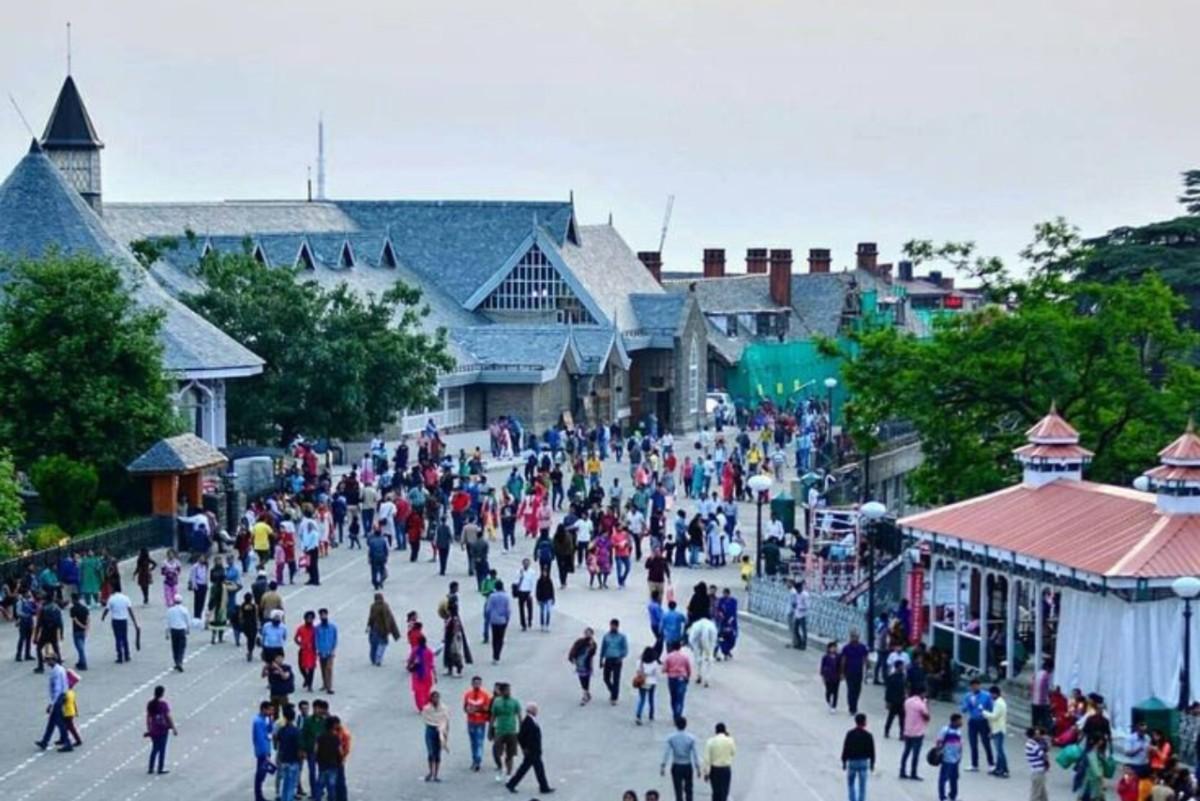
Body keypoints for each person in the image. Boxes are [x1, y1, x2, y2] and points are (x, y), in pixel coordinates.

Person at [505, 702, 555, 794]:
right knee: (532, 769)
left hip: (533, 750)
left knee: (533, 768)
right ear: (532, 710)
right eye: (535, 709)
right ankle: (543, 787)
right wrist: (524, 748)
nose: (537, 711)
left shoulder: (530, 720)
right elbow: (520, 736)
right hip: (532, 751)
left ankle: (543, 786)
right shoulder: (528, 721)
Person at [34, 649, 72, 751]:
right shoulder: (60, 669)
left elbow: (57, 689)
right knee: (51, 722)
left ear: (52, 660)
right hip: (61, 696)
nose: (46, 662)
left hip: (58, 698)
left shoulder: (56, 672)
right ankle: (45, 741)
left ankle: (67, 743)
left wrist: (52, 704)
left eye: (47, 660)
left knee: (59, 722)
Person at [661, 716, 701, 801]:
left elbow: (666, 753)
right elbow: (695, 754)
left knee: (678, 790)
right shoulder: (691, 738)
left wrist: (663, 766)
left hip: (676, 765)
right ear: (686, 725)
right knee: (689, 789)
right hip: (687, 765)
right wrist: (698, 767)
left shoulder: (671, 737)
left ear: (676, 725)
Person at [960, 677, 995, 772]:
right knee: (973, 743)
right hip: (972, 721)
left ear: (979, 686)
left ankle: (991, 763)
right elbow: (963, 709)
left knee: (986, 743)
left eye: (976, 685)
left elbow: (991, 709)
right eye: (972, 686)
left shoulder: (986, 696)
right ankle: (974, 764)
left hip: (983, 721)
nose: (974, 688)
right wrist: (968, 704)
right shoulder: (968, 696)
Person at [490, 683, 522, 783]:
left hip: (511, 731)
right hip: (499, 730)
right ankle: (500, 767)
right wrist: (490, 729)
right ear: (502, 691)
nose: (509, 692)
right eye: (507, 690)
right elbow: (493, 716)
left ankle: (508, 773)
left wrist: (521, 730)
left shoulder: (515, 702)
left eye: (509, 690)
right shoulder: (497, 702)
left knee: (510, 754)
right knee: (496, 752)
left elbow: (519, 716)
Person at [841, 713, 875, 801]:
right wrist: (872, 763)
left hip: (852, 761)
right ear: (864, 722)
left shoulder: (850, 734)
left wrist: (844, 761)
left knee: (851, 784)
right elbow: (872, 750)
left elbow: (846, 747)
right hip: (863, 761)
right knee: (862, 786)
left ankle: (852, 799)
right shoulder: (868, 735)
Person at [144, 685, 177, 774]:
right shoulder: (163, 705)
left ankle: (151, 768)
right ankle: (160, 768)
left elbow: (148, 717)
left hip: (154, 729)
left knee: (154, 748)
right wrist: (173, 727)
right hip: (163, 728)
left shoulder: (150, 704)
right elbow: (168, 716)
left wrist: (149, 728)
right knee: (162, 749)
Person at [462, 676, 492, 772]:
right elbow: (465, 707)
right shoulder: (468, 694)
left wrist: (476, 709)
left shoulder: (485, 695)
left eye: (479, 683)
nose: (477, 685)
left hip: (480, 722)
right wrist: (468, 710)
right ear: (472, 683)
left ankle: (478, 760)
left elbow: (487, 709)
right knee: (473, 741)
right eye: (475, 683)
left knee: (479, 741)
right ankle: (474, 759)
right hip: (471, 721)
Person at [900, 687, 930, 780]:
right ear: (922, 693)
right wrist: (925, 704)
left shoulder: (907, 701)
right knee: (915, 754)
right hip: (918, 732)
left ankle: (902, 771)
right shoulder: (921, 704)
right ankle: (913, 773)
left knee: (906, 752)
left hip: (908, 730)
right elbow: (927, 717)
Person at [275, 703, 303, 801]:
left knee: (285, 786)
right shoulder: (296, 731)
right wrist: (300, 759)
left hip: (283, 760)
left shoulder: (282, 730)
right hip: (293, 760)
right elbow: (299, 748)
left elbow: (276, 743)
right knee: (291, 786)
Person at [421, 690, 450, 783]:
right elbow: (426, 720)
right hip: (431, 730)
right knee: (430, 752)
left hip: (440, 730)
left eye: (437, 697)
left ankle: (436, 774)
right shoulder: (426, 709)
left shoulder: (444, 708)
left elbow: (446, 720)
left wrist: (444, 732)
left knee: (438, 753)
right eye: (434, 697)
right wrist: (436, 724)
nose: (435, 699)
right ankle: (430, 771)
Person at [703, 722, 736, 801]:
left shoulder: (710, 741)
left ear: (716, 731)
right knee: (724, 791)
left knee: (715, 791)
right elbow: (733, 752)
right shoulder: (730, 740)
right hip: (725, 769)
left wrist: (706, 773)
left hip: (715, 769)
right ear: (725, 731)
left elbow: (707, 759)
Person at [314, 716, 344, 801]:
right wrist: (340, 761)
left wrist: (317, 759)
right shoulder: (336, 738)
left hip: (322, 765)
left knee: (320, 785)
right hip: (333, 764)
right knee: (331, 787)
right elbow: (340, 752)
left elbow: (315, 750)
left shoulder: (319, 737)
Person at [935, 713, 964, 801]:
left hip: (956, 758)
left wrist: (959, 756)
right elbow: (939, 742)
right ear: (954, 721)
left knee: (954, 778)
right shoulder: (945, 730)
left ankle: (953, 795)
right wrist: (938, 752)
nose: (961, 722)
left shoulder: (959, 731)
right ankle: (942, 796)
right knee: (943, 778)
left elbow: (960, 744)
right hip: (946, 758)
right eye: (960, 720)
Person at [366, 592, 401, 666]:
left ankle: (373, 659)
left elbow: (370, 617)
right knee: (383, 644)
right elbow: (388, 618)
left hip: (374, 628)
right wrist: (389, 630)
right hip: (382, 629)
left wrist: (368, 626)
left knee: (373, 644)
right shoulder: (385, 606)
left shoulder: (373, 606)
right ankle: (378, 659)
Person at [601, 618, 629, 705]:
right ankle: (613, 691)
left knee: (616, 679)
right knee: (606, 678)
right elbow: (603, 648)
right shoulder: (606, 636)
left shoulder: (622, 637)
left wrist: (621, 657)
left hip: (617, 659)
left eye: (614, 626)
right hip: (608, 659)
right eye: (611, 625)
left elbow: (625, 649)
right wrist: (601, 659)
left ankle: (614, 698)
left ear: (617, 626)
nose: (613, 627)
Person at [840, 629, 869, 715]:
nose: (855, 638)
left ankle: (854, 704)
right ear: (850, 637)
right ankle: (852, 708)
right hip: (849, 672)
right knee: (851, 690)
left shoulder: (862, 647)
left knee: (858, 690)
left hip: (859, 672)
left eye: (856, 636)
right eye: (853, 636)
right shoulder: (846, 648)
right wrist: (842, 672)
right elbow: (843, 661)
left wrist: (868, 669)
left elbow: (865, 659)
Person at [252, 701, 275, 801]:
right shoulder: (258, 722)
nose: (271, 712)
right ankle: (258, 795)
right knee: (261, 773)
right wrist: (265, 754)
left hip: (266, 748)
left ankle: (259, 794)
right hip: (262, 751)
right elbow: (260, 739)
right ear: (264, 709)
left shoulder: (265, 719)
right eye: (270, 710)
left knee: (263, 773)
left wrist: (270, 720)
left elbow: (270, 731)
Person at [484, 580, 512, 663]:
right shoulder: (506, 597)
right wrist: (507, 618)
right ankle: (497, 655)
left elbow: (488, 609)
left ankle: (494, 655)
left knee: (494, 638)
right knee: (500, 638)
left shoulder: (492, 596)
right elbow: (508, 610)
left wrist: (488, 617)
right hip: (502, 620)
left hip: (493, 620)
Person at [984, 684, 1009, 777]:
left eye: (991, 694)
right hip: (997, 728)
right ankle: (999, 768)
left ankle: (1004, 769)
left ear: (994, 694)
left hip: (998, 729)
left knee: (1000, 751)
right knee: (998, 750)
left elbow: (994, 716)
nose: (990, 696)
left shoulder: (999, 703)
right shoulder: (999, 702)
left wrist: (983, 712)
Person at [568, 627, 598, 705]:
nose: (588, 634)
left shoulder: (593, 644)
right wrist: (572, 658)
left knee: (586, 679)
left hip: (587, 664)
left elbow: (593, 653)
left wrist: (591, 646)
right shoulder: (579, 641)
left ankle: (585, 695)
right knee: (581, 679)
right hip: (579, 663)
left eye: (589, 633)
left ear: (592, 634)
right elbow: (573, 650)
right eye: (586, 632)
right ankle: (586, 692)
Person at [664, 642, 692, 722]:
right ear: (680, 648)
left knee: (673, 697)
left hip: (672, 678)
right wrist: (688, 677)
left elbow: (664, 669)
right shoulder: (685, 657)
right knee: (680, 698)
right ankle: (678, 713)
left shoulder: (669, 657)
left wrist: (670, 670)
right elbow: (688, 669)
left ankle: (674, 713)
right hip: (682, 678)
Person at [408, 634, 437, 712]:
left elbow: (410, 660)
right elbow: (432, 665)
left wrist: (409, 666)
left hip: (417, 675)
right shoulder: (429, 652)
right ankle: (427, 705)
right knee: (426, 692)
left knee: (418, 692)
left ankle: (421, 707)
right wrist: (435, 675)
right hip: (427, 675)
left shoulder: (415, 651)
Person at [636, 646, 661, 725]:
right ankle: (651, 714)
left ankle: (638, 715)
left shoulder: (640, 662)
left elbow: (637, 671)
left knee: (642, 699)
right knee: (651, 699)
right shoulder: (654, 663)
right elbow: (657, 674)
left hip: (642, 682)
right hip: (652, 682)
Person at [315, 608, 338, 694]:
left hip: (330, 652)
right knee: (323, 668)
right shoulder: (317, 628)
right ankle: (324, 684)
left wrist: (333, 650)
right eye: (321, 615)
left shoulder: (332, 627)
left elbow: (335, 639)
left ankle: (329, 687)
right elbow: (316, 640)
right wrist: (318, 649)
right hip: (321, 651)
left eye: (324, 614)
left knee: (329, 668)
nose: (323, 616)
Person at [295, 611, 318, 692]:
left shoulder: (315, 629)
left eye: (311, 619)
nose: (309, 620)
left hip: (312, 650)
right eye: (308, 618)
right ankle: (306, 678)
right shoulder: (300, 628)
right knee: (301, 666)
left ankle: (310, 685)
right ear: (305, 619)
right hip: (303, 650)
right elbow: (296, 638)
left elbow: (318, 639)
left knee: (311, 668)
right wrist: (300, 644)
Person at [165, 594, 189, 672]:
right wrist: (188, 629)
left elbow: (167, 622)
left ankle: (176, 662)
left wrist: (167, 633)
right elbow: (187, 621)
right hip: (182, 630)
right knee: (181, 647)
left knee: (175, 647)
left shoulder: (170, 610)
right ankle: (180, 662)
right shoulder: (184, 610)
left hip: (173, 630)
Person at [1025, 726, 1050, 801]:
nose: (1039, 735)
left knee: (1043, 795)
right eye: (1037, 734)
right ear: (1033, 735)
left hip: (1038, 771)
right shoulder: (1033, 745)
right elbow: (1043, 756)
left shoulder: (1031, 743)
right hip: (1038, 772)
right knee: (1036, 795)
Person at [883, 662, 906, 737]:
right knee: (890, 717)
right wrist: (887, 701)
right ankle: (886, 731)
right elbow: (888, 690)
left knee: (902, 719)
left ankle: (902, 733)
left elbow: (905, 688)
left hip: (901, 700)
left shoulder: (903, 677)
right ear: (898, 667)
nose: (903, 668)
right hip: (893, 701)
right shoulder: (892, 677)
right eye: (901, 666)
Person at [69, 592, 89, 670]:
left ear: (73, 600)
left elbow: (75, 620)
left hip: (76, 630)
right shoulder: (84, 608)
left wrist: (82, 626)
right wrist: (86, 628)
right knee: (81, 646)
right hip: (83, 631)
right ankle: (80, 661)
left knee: (80, 648)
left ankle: (83, 663)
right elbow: (88, 619)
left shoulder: (73, 609)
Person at [821, 641, 842, 712]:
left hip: (836, 677)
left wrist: (841, 674)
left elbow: (841, 666)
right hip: (828, 677)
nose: (833, 649)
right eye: (832, 648)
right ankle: (828, 700)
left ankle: (834, 706)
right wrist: (823, 676)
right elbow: (822, 667)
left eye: (835, 647)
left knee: (836, 692)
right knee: (828, 691)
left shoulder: (839, 657)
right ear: (829, 649)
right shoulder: (825, 657)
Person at [789, 582, 810, 649]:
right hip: (797, 614)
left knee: (804, 631)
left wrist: (800, 608)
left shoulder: (805, 595)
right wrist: (794, 605)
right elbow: (796, 602)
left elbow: (807, 606)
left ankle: (804, 645)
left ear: (801, 588)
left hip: (803, 615)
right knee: (795, 629)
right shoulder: (797, 594)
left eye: (798, 589)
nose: (797, 591)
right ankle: (799, 642)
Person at [535, 566, 555, 631]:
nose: (545, 574)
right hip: (541, 598)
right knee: (542, 612)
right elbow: (537, 590)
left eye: (546, 572)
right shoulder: (539, 581)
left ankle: (547, 625)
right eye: (544, 572)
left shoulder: (549, 580)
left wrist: (553, 598)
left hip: (548, 598)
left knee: (548, 612)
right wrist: (537, 599)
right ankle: (542, 625)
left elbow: (552, 589)